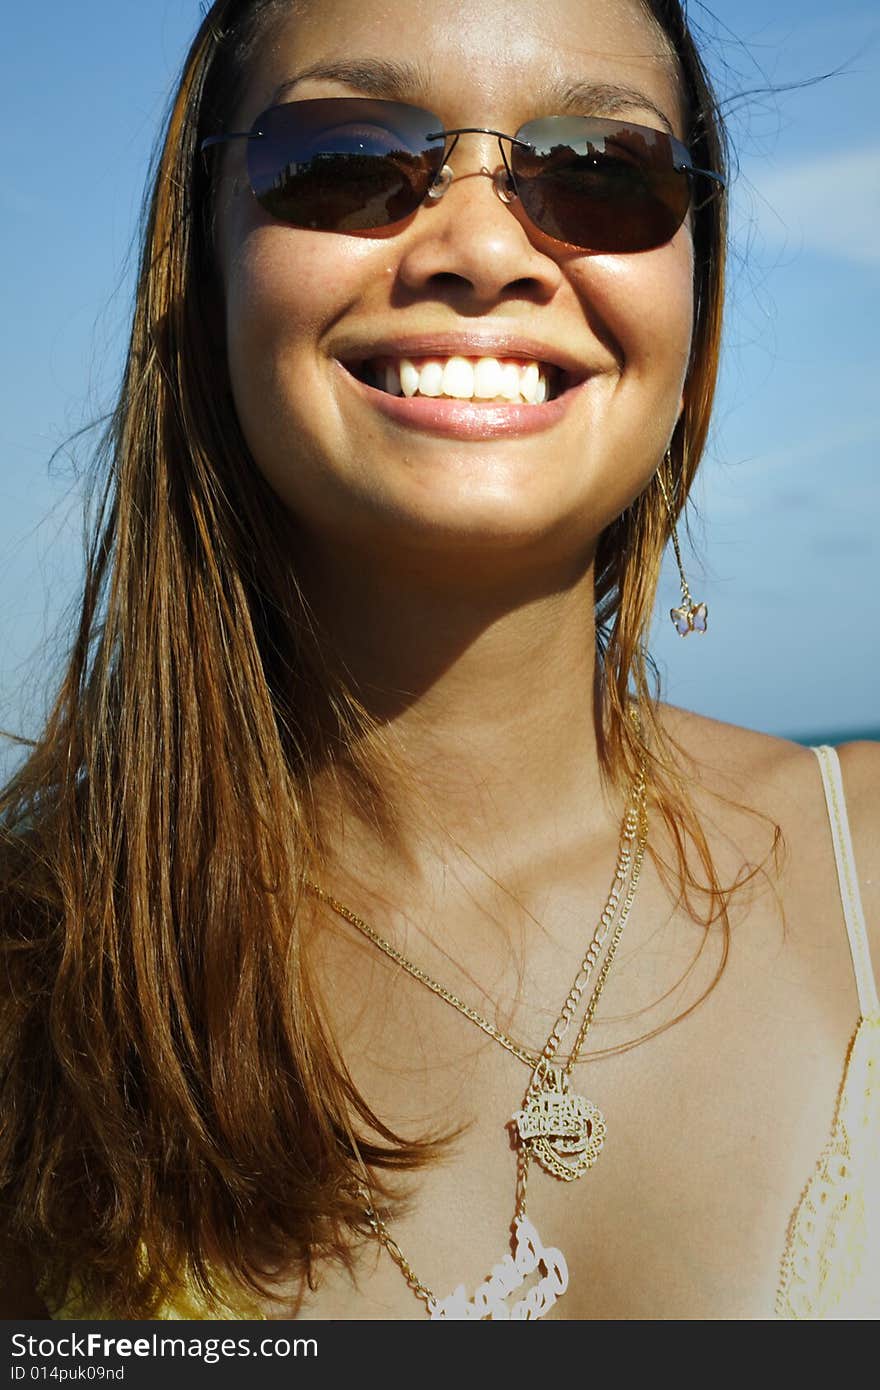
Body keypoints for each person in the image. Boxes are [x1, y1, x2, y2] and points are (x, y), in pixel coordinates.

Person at [1, 0, 877, 1322]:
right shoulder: (33, 987)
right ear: (206, 265)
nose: (480, 249)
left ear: (696, 287)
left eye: (599, 171)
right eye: (346, 159)